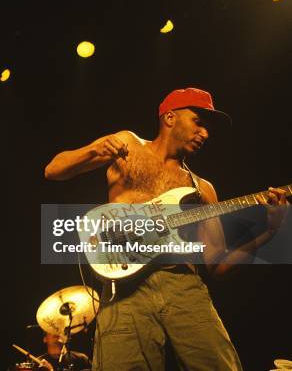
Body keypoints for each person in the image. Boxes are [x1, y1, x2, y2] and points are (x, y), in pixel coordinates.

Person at [44, 88, 289, 370]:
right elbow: (53, 170)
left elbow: (218, 265)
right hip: (124, 290)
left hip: (184, 288)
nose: (206, 134)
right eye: (199, 122)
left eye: (209, 129)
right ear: (170, 117)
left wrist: (269, 233)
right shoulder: (128, 145)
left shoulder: (203, 189)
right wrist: (94, 150)